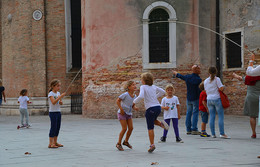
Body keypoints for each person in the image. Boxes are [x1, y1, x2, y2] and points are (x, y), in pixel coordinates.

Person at [133, 72, 169, 153]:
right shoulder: (154, 86)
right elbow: (163, 92)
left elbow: (141, 96)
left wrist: (134, 102)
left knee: (150, 127)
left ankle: (152, 145)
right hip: (158, 107)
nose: (141, 80)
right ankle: (161, 124)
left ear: (144, 80)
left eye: (141, 79)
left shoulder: (143, 87)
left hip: (150, 108)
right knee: (153, 120)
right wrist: (153, 97)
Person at [232, 54, 260, 139]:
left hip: (251, 97)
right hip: (259, 96)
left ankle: (254, 133)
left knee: (252, 116)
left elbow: (240, 78)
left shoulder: (248, 78)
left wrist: (235, 75)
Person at [173, 65, 202, 135]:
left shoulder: (188, 77)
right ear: (196, 70)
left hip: (189, 98)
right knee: (195, 113)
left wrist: (176, 74)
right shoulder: (198, 79)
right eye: (199, 69)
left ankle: (188, 129)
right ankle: (194, 129)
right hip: (196, 98)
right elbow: (199, 90)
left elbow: (182, 77)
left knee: (189, 113)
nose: (200, 70)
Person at [204, 67, 230, 139]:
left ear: (208, 72)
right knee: (220, 116)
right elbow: (221, 88)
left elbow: (205, 90)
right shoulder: (217, 79)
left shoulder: (206, 81)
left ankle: (213, 134)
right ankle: (222, 133)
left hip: (209, 99)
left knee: (212, 116)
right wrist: (224, 86)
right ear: (216, 72)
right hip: (217, 98)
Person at [116, 81, 138, 151]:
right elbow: (117, 101)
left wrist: (135, 108)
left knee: (131, 128)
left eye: (135, 85)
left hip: (129, 114)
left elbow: (133, 105)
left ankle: (125, 141)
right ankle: (118, 144)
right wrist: (121, 109)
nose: (135, 86)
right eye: (133, 85)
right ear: (128, 87)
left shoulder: (135, 96)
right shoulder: (125, 94)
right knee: (124, 128)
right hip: (122, 113)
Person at [48, 79, 66, 148]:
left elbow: (59, 102)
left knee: (57, 127)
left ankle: (55, 142)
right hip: (52, 112)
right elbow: (53, 102)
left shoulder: (58, 93)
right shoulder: (51, 94)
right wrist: (60, 97)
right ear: (53, 86)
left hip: (58, 111)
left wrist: (61, 102)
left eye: (59, 86)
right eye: (58, 86)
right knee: (53, 127)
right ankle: (50, 143)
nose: (59, 87)